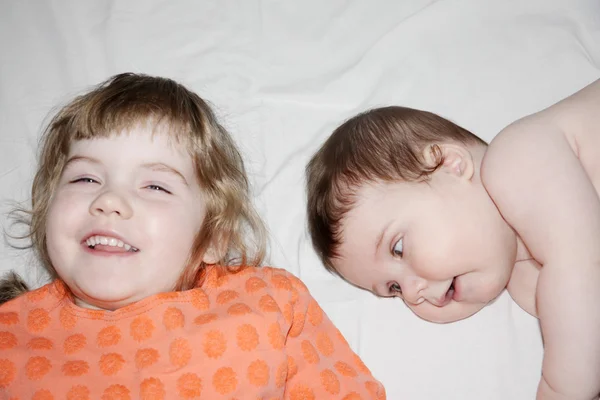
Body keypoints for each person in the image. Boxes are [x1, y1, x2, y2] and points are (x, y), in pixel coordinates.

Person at [0, 72, 386, 400]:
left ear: (213, 236)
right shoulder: (10, 337)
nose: (109, 200)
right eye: (85, 178)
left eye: (155, 186)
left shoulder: (269, 305)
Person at [306, 79, 600, 400]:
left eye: (398, 247)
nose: (413, 292)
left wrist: (560, 390)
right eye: (394, 289)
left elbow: (581, 269)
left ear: (450, 165)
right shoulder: (527, 283)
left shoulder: (517, 159)